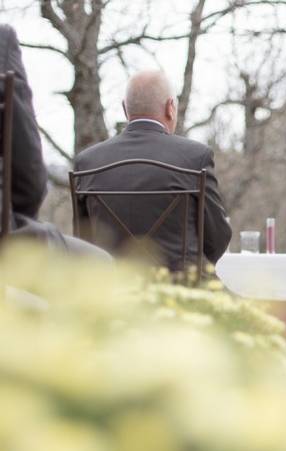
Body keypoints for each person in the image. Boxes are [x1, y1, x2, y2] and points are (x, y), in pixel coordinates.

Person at [73, 70, 232, 270]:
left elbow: (82, 242)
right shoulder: (195, 157)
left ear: (125, 108)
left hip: (110, 293)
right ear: (170, 108)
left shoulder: (88, 162)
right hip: (179, 291)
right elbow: (217, 237)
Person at [0, 24, 108, 258]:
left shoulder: (88, 160)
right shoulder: (2, 40)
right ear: (171, 109)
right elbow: (28, 179)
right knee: (100, 262)